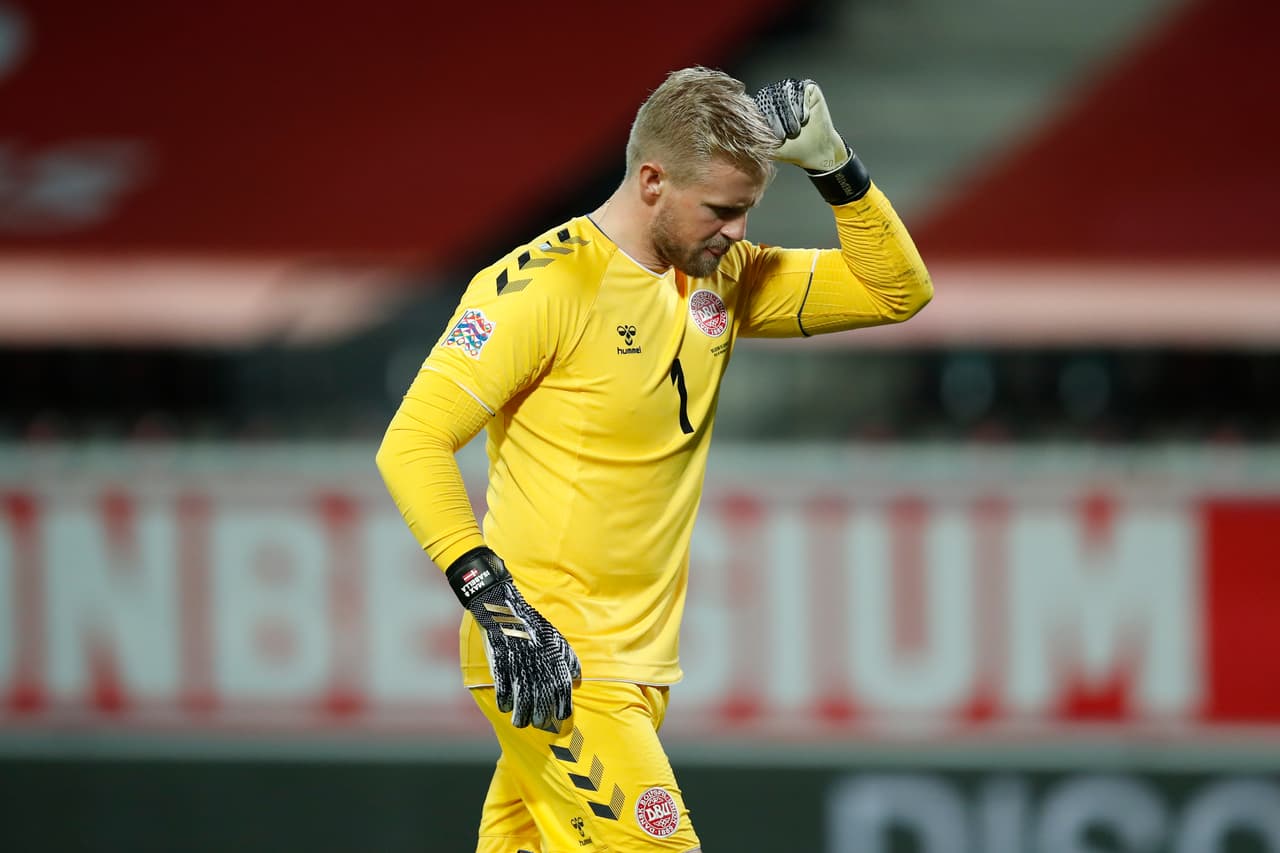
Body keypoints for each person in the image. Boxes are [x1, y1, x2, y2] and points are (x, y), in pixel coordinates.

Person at [377, 66, 931, 853]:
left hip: (638, 660)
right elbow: (412, 440)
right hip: (556, 651)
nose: (736, 231)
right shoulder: (541, 286)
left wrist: (834, 166)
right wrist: (496, 604)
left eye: (746, 211)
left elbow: (895, 291)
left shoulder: (724, 280)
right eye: (720, 210)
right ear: (651, 181)